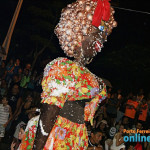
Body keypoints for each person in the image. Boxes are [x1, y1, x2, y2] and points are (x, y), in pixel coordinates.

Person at [19, 0, 117, 149]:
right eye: (98, 34)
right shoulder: (62, 68)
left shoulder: (94, 78)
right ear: (80, 34)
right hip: (56, 137)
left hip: (76, 138)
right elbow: (49, 111)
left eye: (104, 36)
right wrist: (37, 147)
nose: (101, 41)